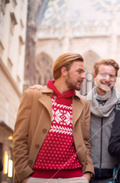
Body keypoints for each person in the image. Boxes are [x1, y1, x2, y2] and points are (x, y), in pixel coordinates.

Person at [13, 53, 94, 183]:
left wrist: (87, 174)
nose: (84, 76)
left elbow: (86, 142)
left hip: (75, 177)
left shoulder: (83, 103)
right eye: (79, 71)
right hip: (37, 177)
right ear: (64, 71)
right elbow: (20, 139)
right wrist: (24, 176)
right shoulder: (33, 96)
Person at [86, 58, 120, 183]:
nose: (107, 79)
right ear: (94, 76)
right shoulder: (82, 103)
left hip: (115, 176)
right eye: (103, 74)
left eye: (111, 76)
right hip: (85, 175)